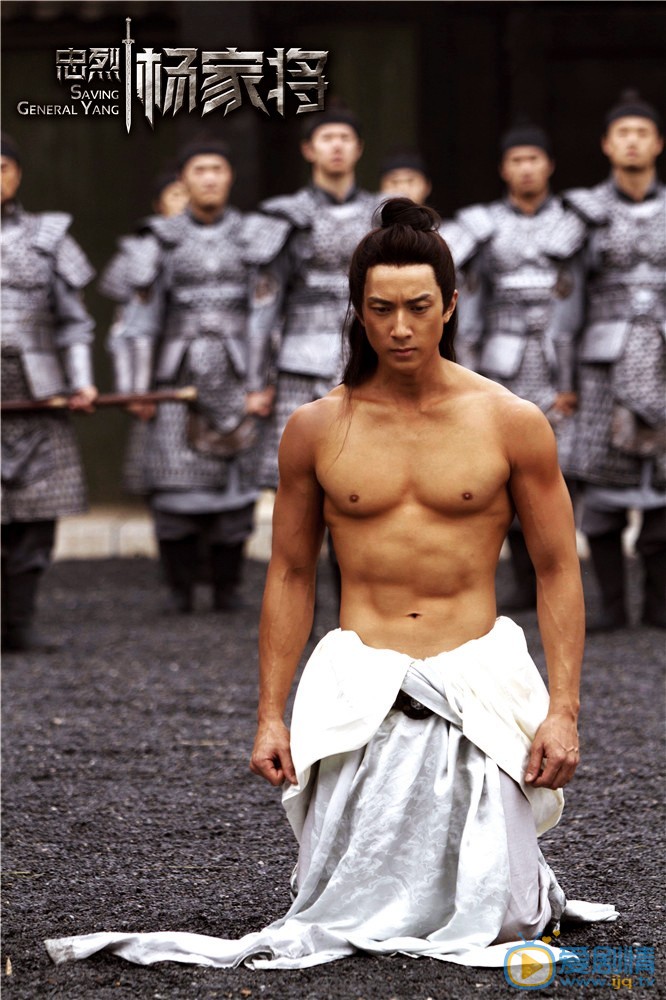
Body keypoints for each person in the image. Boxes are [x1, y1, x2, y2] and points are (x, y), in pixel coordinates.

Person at [45, 200, 616, 972]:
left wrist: (563, 711)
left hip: (476, 679)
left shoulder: (510, 421)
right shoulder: (317, 427)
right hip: (362, 686)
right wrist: (270, 715)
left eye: (418, 307)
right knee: (346, 905)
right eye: (381, 309)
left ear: (451, 304)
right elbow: (289, 571)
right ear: (356, 310)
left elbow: (556, 567)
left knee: (508, 914)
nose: (401, 328)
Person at [116, 138, 260, 614]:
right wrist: (138, 388)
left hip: (238, 370)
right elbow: (139, 320)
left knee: (235, 482)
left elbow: (267, 312)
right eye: (200, 170)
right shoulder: (159, 238)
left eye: (218, 168)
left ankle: (227, 587)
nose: (210, 178)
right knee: (173, 478)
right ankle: (178, 589)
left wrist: (262, 381)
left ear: (230, 176)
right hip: (175, 373)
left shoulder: (254, 235)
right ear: (183, 179)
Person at [452, 124, 586, 610]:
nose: (526, 168)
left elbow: (581, 297)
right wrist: (467, 374)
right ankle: (517, 579)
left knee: (561, 469)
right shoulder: (482, 225)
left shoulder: (575, 222)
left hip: (558, 357)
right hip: (501, 360)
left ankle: (558, 575)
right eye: (516, 160)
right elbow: (469, 306)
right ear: (503, 169)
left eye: (534, 159)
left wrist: (575, 375)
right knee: (500, 469)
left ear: (549, 165)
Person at [564, 91, 666, 631]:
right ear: (607, 144)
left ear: (658, 144)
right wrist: (564, 377)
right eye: (623, 133)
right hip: (602, 362)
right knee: (601, 482)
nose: (632, 141)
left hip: (664, 359)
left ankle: (658, 603)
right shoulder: (585, 212)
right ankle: (609, 606)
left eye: (641, 132)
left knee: (664, 481)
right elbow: (567, 300)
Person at [242, 106, 381, 490]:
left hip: (373, 356)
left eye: (345, 138)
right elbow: (264, 305)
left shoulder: (383, 215)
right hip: (300, 365)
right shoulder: (285, 217)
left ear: (359, 148)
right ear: (308, 149)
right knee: (300, 481)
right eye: (327, 138)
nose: (336, 146)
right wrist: (256, 382)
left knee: (372, 476)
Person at [1, 133, 98, 652]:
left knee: (36, 519)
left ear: (17, 173)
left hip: (41, 397)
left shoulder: (49, 236)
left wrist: (80, 380)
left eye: (2, 167)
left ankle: (19, 624)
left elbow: (74, 322)